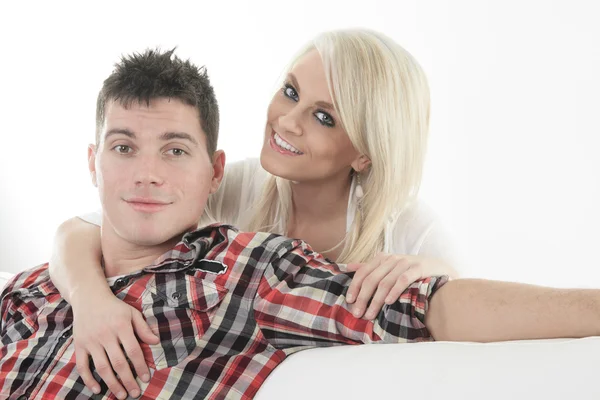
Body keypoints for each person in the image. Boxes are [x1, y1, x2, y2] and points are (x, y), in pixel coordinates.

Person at [2, 47, 599, 400]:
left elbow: (433, 307)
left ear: (212, 173)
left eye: (176, 151)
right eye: (124, 147)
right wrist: (89, 299)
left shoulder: (247, 271)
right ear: (91, 161)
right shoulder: (29, 289)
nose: (148, 175)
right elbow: (77, 231)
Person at [49, 30, 460, 395]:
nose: (287, 120)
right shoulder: (238, 186)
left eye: (323, 117)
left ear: (365, 155)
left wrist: (438, 270)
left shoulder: (408, 228)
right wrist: (90, 301)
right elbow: (80, 231)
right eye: (291, 92)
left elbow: (455, 320)